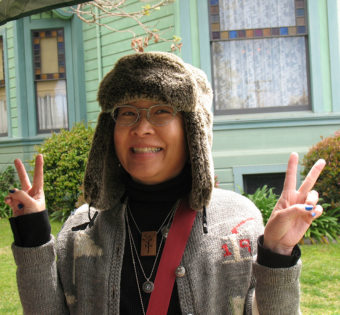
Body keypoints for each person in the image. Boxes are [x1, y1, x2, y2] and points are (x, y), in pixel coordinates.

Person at [5, 52, 325, 315]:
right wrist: (32, 237)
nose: (141, 127)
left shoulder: (238, 223)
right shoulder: (81, 231)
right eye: (127, 113)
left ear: (192, 130)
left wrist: (278, 254)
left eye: (161, 112)